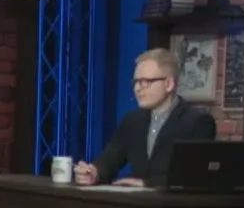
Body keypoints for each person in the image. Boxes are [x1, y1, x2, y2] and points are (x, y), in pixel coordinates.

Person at [75, 48, 217, 187]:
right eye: (135, 82)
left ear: (169, 84)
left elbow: (194, 175)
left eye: (145, 82)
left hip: (174, 202)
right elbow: (110, 160)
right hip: (137, 202)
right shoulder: (132, 121)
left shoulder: (197, 122)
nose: (137, 88)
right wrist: (95, 173)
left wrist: (147, 183)